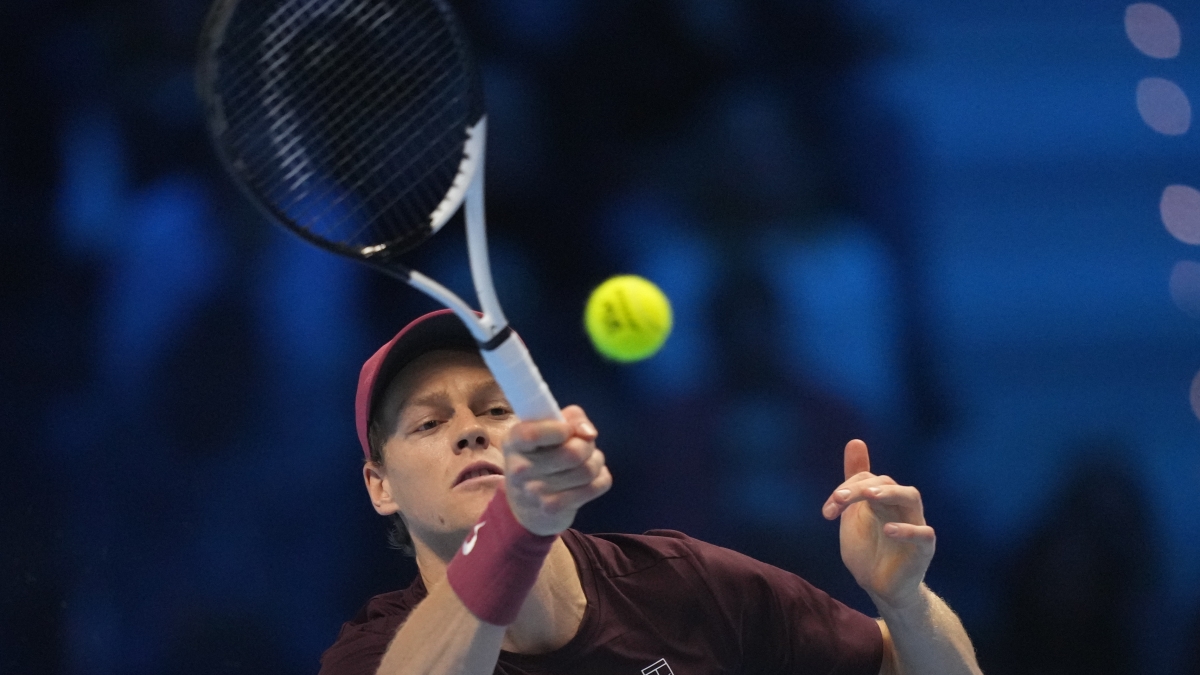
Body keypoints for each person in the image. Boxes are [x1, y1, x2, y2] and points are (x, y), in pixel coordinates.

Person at [319, 310, 983, 675]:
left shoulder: (683, 583)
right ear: (380, 486)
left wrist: (907, 602)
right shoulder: (371, 654)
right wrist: (517, 526)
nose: (470, 431)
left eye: (496, 410)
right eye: (430, 422)